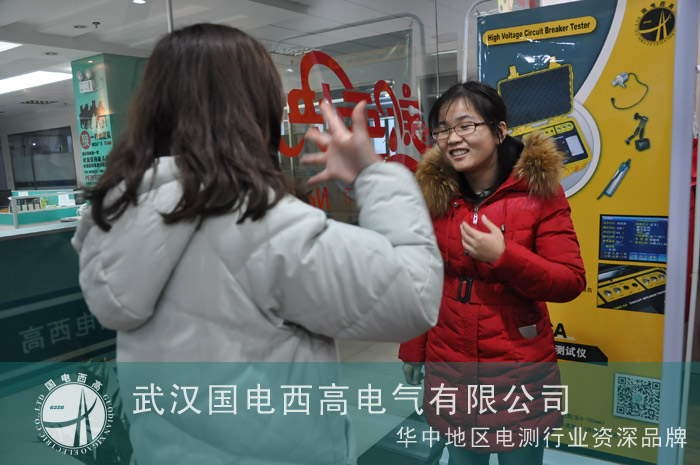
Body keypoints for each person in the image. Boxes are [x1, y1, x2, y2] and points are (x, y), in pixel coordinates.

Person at [72, 23, 443, 465]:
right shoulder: (259, 222)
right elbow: (412, 296)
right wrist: (375, 176)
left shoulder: (119, 215)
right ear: (256, 109)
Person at [399, 81, 586, 465]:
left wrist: (505, 256)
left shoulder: (538, 193)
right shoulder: (435, 195)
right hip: (450, 362)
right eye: (443, 129)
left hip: (517, 365)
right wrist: (413, 350)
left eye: (466, 125)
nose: (453, 138)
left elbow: (570, 280)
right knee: (463, 458)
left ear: (499, 131)